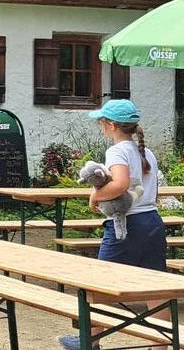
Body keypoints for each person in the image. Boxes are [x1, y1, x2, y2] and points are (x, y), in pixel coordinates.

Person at [58, 99, 166, 350]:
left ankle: (89, 341)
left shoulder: (117, 151)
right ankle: (161, 344)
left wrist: (95, 196)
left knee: (99, 282)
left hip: (127, 224)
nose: (100, 126)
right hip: (152, 221)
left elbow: (120, 184)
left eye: (101, 122)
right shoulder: (146, 152)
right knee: (156, 287)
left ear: (111, 125)